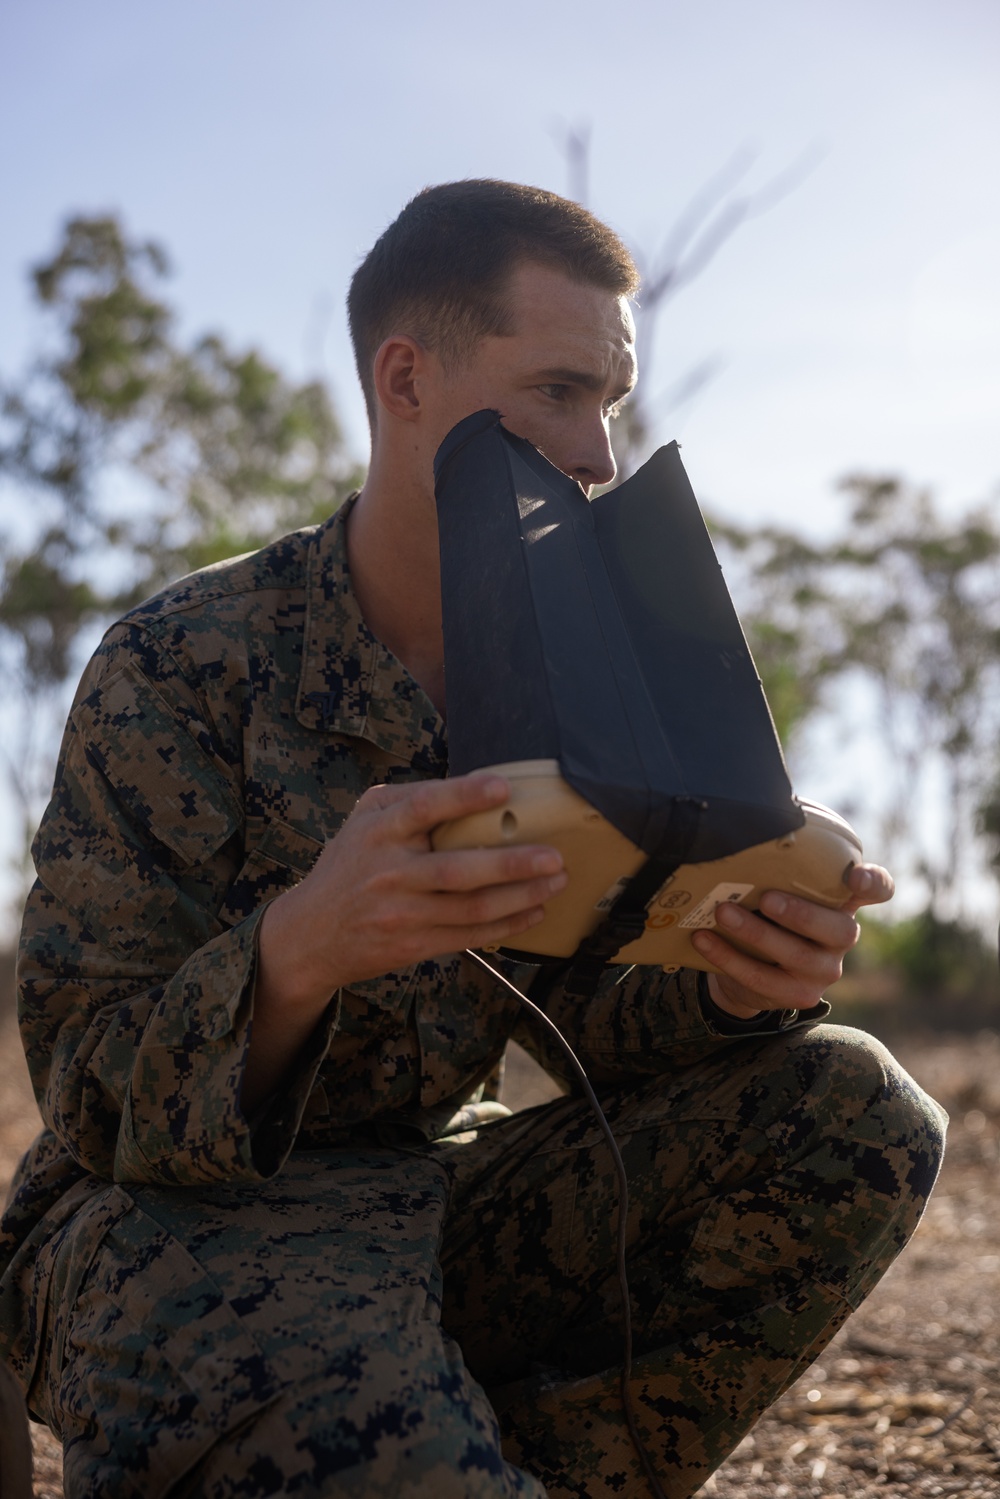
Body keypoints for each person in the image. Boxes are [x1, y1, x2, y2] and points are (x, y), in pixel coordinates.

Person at [0, 180, 945, 1499]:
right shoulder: (183, 666)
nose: (600, 452)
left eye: (609, 401)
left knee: (855, 1109)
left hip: (431, 1201)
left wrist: (731, 980)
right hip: (172, 1219)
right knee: (297, 1365)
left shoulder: (592, 672)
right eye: (559, 391)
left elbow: (574, 1011)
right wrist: (295, 955)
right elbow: (90, 1094)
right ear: (405, 380)